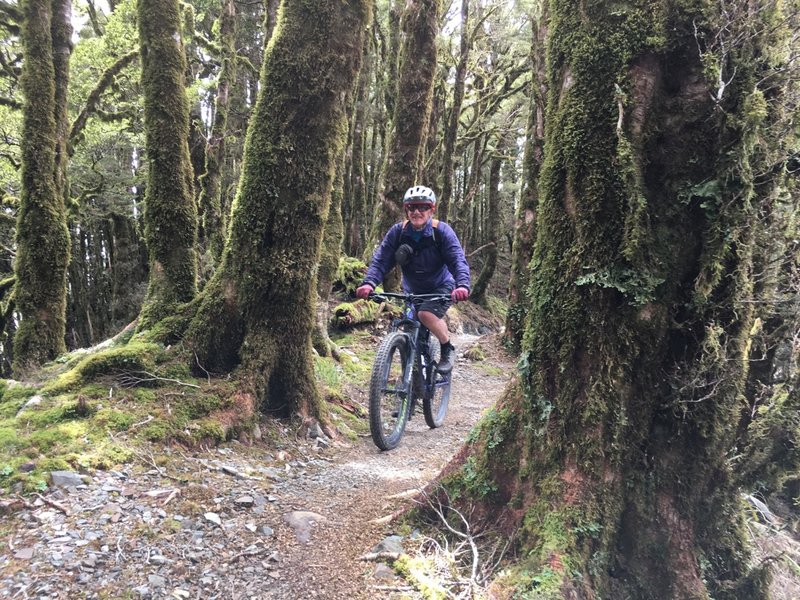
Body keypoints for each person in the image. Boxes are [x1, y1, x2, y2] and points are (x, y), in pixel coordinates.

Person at [356, 185, 470, 373]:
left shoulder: (441, 232)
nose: (417, 211)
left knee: (426, 315)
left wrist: (463, 285)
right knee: (409, 327)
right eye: (411, 207)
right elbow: (381, 260)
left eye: (423, 207)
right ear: (406, 209)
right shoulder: (398, 233)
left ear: (432, 209)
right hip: (412, 290)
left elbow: (457, 259)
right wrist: (369, 283)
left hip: (441, 287)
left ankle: (447, 347)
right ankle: (411, 384)